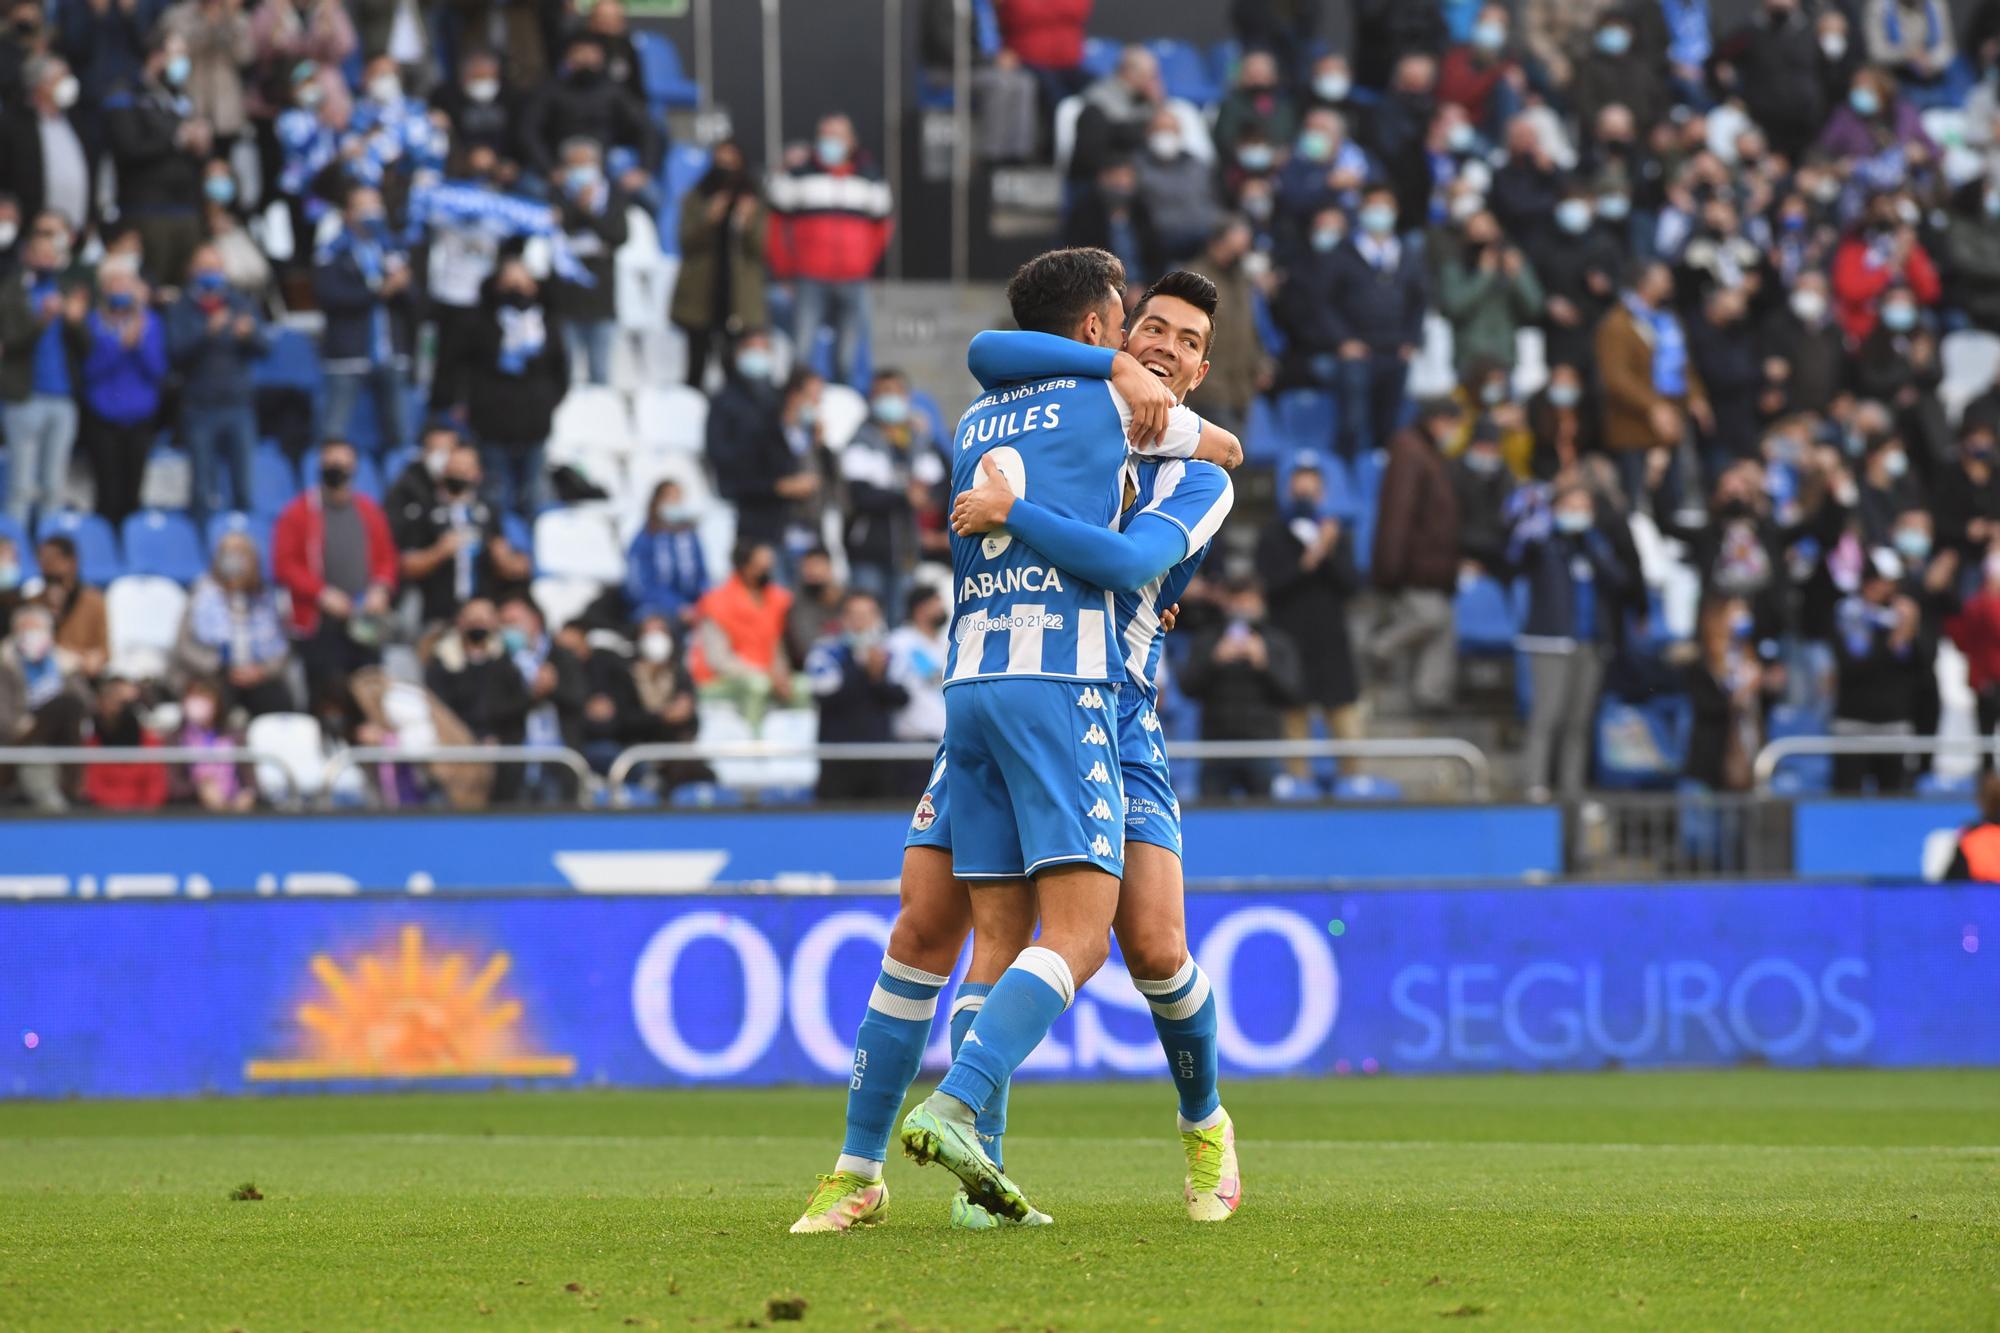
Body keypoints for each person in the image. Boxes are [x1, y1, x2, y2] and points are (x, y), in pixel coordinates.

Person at [795, 276, 1238, 1234]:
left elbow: (1133, 555)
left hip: (1112, 709)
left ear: (1202, 368)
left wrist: (1006, 509)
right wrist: (1110, 364)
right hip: (1016, 683)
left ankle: (1205, 1123)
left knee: (1154, 945)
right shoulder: (1093, 404)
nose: (1158, 344)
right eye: (1146, 325)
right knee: (936, 926)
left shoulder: (1196, 468)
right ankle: (947, 1172)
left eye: (1181, 339)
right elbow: (995, 354)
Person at [1511, 480, 1636, 801]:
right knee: (1547, 714)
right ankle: (1534, 784)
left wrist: (1594, 545)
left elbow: (1621, 581)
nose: (1577, 514)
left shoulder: (1594, 546)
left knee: (1579, 722)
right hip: (1551, 640)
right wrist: (1531, 524)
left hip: (1590, 642)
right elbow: (1516, 558)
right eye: (1571, 508)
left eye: (1584, 509)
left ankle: (1572, 787)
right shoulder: (1544, 543)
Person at [271, 439, 399, 710]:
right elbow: (284, 565)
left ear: (354, 469)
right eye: (331, 464)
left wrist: (381, 588)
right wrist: (322, 594)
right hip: (320, 622)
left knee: (367, 693)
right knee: (326, 694)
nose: (337, 470)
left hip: (365, 621)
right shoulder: (298, 512)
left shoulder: (369, 511)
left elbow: (386, 558)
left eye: (343, 465)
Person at [767, 113, 894, 386]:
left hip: (854, 279)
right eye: (825, 135)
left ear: (851, 141)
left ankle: (845, 407)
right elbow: (776, 228)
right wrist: (784, 270)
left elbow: (882, 227)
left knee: (849, 355)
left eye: (837, 135)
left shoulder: (871, 178)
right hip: (809, 277)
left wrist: (864, 263)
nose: (830, 141)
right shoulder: (796, 176)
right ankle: (796, 404)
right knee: (802, 351)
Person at [1256, 456, 1360, 781]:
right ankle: (1297, 784)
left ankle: (1353, 782)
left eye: (1312, 483)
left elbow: (1351, 585)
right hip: (1290, 638)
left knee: (1345, 720)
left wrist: (1326, 552)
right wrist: (1311, 558)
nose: (1305, 490)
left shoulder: (1336, 534)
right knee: (1293, 720)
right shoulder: (1272, 534)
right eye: (1299, 482)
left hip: (1330, 640)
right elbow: (1271, 585)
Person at [1596, 259, 1713, 513]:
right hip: (1633, 426)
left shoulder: (1668, 320)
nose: (1669, 283)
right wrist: (1654, 406)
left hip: (1672, 422)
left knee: (1673, 501)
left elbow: (1683, 365)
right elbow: (1616, 377)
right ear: (1644, 284)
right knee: (1636, 502)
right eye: (1663, 278)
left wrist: (1696, 396)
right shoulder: (1617, 324)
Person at [1371, 398, 1465, 712]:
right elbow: (1399, 514)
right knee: (1433, 619)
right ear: (1438, 419)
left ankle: (1430, 696)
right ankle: (1379, 647)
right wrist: (1391, 568)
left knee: (1443, 626)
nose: (1454, 432)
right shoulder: (1410, 451)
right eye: (1453, 424)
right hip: (1414, 566)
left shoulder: (1428, 453)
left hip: (1432, 567)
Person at [1325, 185, 1427, 460]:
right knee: (1353, 423)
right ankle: (1348, 483)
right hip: (1357, 352)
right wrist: (1343, 340)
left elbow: (1419, 301)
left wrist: (1411, 340)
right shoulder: (1343, 252)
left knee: (1391, 426)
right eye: (1374, 205)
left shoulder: (1407, 253)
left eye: (1386, 206)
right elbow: (1325, 302)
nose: (1379, 212)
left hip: (1395, 352)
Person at [166, 246, 267, 524]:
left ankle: (247, 549)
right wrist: (206, 332)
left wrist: (250, 335)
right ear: (192, 271)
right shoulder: (181, 308)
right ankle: (205, 551)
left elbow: (264, 348)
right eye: (204, 267)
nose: (210, 274)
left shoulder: (240, 303)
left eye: (215, 267)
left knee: (244, 488)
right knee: (202, 491)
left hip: (238, 405)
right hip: (199, 407)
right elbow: (174, 354)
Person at [461, 255, 568, 516]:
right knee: (496, 496)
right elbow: (466, 366)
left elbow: (561, 371)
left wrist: (545, 403)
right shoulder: (482, 322)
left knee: (534, 494)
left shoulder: (546, 324)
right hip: (492, 426)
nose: (517, 290)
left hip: (534, 424)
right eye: (510, 284)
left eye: (522, 283)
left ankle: (529, 550)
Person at [1180, 574, 1302, 799]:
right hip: (1216, 749)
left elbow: (1293, 694)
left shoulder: (1277, 642)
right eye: (1235, 601)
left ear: (1260, 602)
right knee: (1213, 822)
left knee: (1266, 823)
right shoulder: (1208, 639)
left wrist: (1264, 664)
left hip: (1263, 748)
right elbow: (1188, 687)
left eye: (1247, 601)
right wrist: (1214, 660)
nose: (1241, 608)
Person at [313, 185, 414, 456]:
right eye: (363, 207)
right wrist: (380, 291)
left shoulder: (392, 249)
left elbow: (415, 302)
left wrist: (404, 285)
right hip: (348, 354)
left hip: (390, 351)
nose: (372, 213)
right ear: (348, 213)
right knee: (334, 433)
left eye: (375, 206)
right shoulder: (333, 250)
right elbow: (330, 296)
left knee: (401, 436)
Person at [389, 443, 531, 628]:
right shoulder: (424, 512)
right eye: (454, 468)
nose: (459, 475)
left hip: (482, 614)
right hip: (436, 613)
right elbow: (405, 565)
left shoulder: (489, 513)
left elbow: (518, 566)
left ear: (478, 474)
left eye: (466, 469)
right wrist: (438, 552)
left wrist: (504, 560)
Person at [105, 32, 208, 282]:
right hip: (147, 210)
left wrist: (202, 144)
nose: (183, 61)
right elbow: (128, 148)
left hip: (186, 206)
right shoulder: (127, 93)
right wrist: (176, 139)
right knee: (152, 285)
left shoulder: (180, 97)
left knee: (187, 286)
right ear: (156, 57)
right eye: (177, 54)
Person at [706, 331, 819, 555]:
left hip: (791, 519)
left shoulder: (778, 403)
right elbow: (724, 457)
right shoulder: (726, 402)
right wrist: (778, 485)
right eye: (751, 347)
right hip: (755, 512)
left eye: (764, 348)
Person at [0, 217, 82, 525]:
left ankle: (49, 555)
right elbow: (10, 341)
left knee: (54, 487)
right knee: (21, 487)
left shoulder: (67, 290)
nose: (47, 260)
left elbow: (85, 346)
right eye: (41, 253)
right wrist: (42, 320)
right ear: (28, 256)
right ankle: (14, 562)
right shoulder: (11, 292)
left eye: (52, 255)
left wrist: (75, 320)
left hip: (62, 397)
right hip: (24, 397)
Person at [669, 139, 768, 387]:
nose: (725, 167)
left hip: (738, 297)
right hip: (702, 294)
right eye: (720, 160)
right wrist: (708, 219)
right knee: (696, 367)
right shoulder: (696, 196)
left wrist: (745, 224)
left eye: (731, 161)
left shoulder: (753, 199)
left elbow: (761, 249)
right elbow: (685, 242)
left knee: (735, 369)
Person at [839, 369, 937, 614]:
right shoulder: (862, 439)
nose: (889, 399)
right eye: (883, 393)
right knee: (866, 616)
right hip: (869, 549)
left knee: (900, 618)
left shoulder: (915, 439)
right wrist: (904, 496)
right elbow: (860, 496)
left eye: (895, 392)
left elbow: (936, 482)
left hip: (905, 548)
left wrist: (927, 434)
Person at [77, 264, 167, 528]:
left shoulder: (151, 323)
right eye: (114, 285)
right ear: (104, 290)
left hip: (140, 417)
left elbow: (158, 369)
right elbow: (88, 371)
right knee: (107, 491)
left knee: (133, 491)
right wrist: (119, 347)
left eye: (125, 286)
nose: (120, 292)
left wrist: (138, 344)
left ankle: (130, 548)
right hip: (102, 417)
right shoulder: (92, 322)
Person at [171, 530, 295, 715]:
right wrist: (220, 666)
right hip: (213, 675)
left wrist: (262, 671)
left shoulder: (268, 598)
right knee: (210, 700)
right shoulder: (201, 595)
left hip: (259, 676)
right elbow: (184, 647)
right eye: (228, 552)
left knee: (277, 702)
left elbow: (284, 649)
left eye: (241, 552)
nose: (234, 559)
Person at [423, 597, 532, 801]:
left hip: (502, 759)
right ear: (460, 622)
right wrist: (470, 740)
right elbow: (439, 712)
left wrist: (495, 738)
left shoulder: (505, 663)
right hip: (455, 754)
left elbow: (517, 708)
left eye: (484, 618)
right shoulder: (442, 663)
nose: (478, 624)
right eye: (472, 618)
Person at [804, 591, 910, 801]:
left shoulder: (891, 652)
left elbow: (903, 698)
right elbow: (825, 696)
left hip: (880, 758)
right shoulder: (826, 651)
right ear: (843, 618)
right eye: (854, 614)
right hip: (838, 757)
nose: (861, 622)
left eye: (867, 614)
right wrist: (861, 667)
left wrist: (877, 678)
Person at [1832, 547, 1922, 792]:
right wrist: (1895, 638)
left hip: (1893, 722)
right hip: (1854, 723)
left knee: (1893, 798)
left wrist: (1911, 630)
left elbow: (1920, 668)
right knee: (1847, 798)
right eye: (1883, 582)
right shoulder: (1849, 614)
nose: (1888, 589)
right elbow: (1856, 666)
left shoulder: (1903, 614)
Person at [518, 33, 660, 183]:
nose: (586, 58)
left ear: (601, 58)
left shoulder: (614, 92)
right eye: (580, 52)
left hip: (605, 166)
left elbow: (646, 128)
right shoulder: (549, 90)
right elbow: (528, 131)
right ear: (567, 57)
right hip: (558, 167)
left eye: (591, 53)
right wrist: (549, 169)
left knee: (650, 197)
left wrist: (643, 170)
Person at [689, 540, 795, 734]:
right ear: (745, 567)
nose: (766, 571)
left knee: (803, 687)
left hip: (767, 673)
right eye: (760, 567)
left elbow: (776, 645)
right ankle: (753, 743)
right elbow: (718, 660)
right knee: (757, 686)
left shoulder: (777, 599)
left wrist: (781, 674)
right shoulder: (716, 602)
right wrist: (765, 675)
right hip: (722, 679)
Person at [546, 136, 627, 387]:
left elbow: (617, 235)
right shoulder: (556, 193)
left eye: (586, 163)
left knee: (600, 373)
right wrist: (578, 208)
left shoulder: (612, 193)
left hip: (600, 295)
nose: (581, 170)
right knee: (564, 373)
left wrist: (586, 212)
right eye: (574, 164)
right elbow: (557, 230)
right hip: (565, 298)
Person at [0, 600, 90, 811]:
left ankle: (71, 787)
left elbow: (86, 704)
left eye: (36, 629)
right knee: (37, 746)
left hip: (59, 734)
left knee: (67, 704)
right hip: (17, 735)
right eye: (26, 629)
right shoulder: (5, 664)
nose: (31, 635)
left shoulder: (63, 663)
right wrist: (20, 725)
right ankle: (65, 795)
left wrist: (73, 671)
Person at [496, 595, 585, 802]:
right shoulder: (501, 664)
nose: (508, 629)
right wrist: (532, 695)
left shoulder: (563, 658)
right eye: (504, 623)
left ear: (534, 620)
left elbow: (579, 702)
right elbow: (494, 711)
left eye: (514, 622)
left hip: (560, 765)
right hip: (519, 769)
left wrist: (554, 688)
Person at [0, 55, 94, 232]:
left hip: (75, 228)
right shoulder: (14, 124)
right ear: (40, 85)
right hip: (31, 229)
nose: (68, 82)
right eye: (60, 77)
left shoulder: (75, 121)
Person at [624, 478, 708, 624]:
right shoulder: (645, 538)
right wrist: (676, 606)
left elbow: (702, 576)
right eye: (670, 498)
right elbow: (640, 586)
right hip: (654, 608)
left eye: (679, 498)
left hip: (692, 607)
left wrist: (702, 603)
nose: (675, 503)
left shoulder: (690, 537)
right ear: (657, 501)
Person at [80, 673, 168, 811]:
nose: (120, 709)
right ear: (102, 703)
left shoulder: (150, 743)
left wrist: (141, 817)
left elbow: (155, 787)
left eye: (127, 703)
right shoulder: (92, 745)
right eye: (116, 701)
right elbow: (93, 787)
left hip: (144, 823)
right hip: (105, 822)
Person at [36, 535, 108, 676]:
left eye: (53, 560)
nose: (47, 566)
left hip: (82, 672)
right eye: (43, 560)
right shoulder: (35, 603)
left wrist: (90, 658)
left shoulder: (94, 601)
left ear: (72, 562)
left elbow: (104, 650)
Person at [1940, 773, 2000, 880]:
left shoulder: (1970, 836)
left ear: (1981, 801)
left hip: (1979, 894)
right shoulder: (1971, 835)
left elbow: (1951, 882)